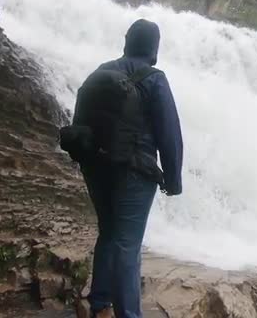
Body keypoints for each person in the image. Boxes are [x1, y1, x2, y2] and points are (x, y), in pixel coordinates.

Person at [70, 19, 183, 318]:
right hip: (134, 171)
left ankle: (99, 304)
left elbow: (81, 117)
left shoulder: (101, 70)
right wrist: (173, 180)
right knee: (127, 244)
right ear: (154, 48)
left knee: (108, 232)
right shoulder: (154, 78)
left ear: (127, 41)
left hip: (95, 166)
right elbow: (169, 133)